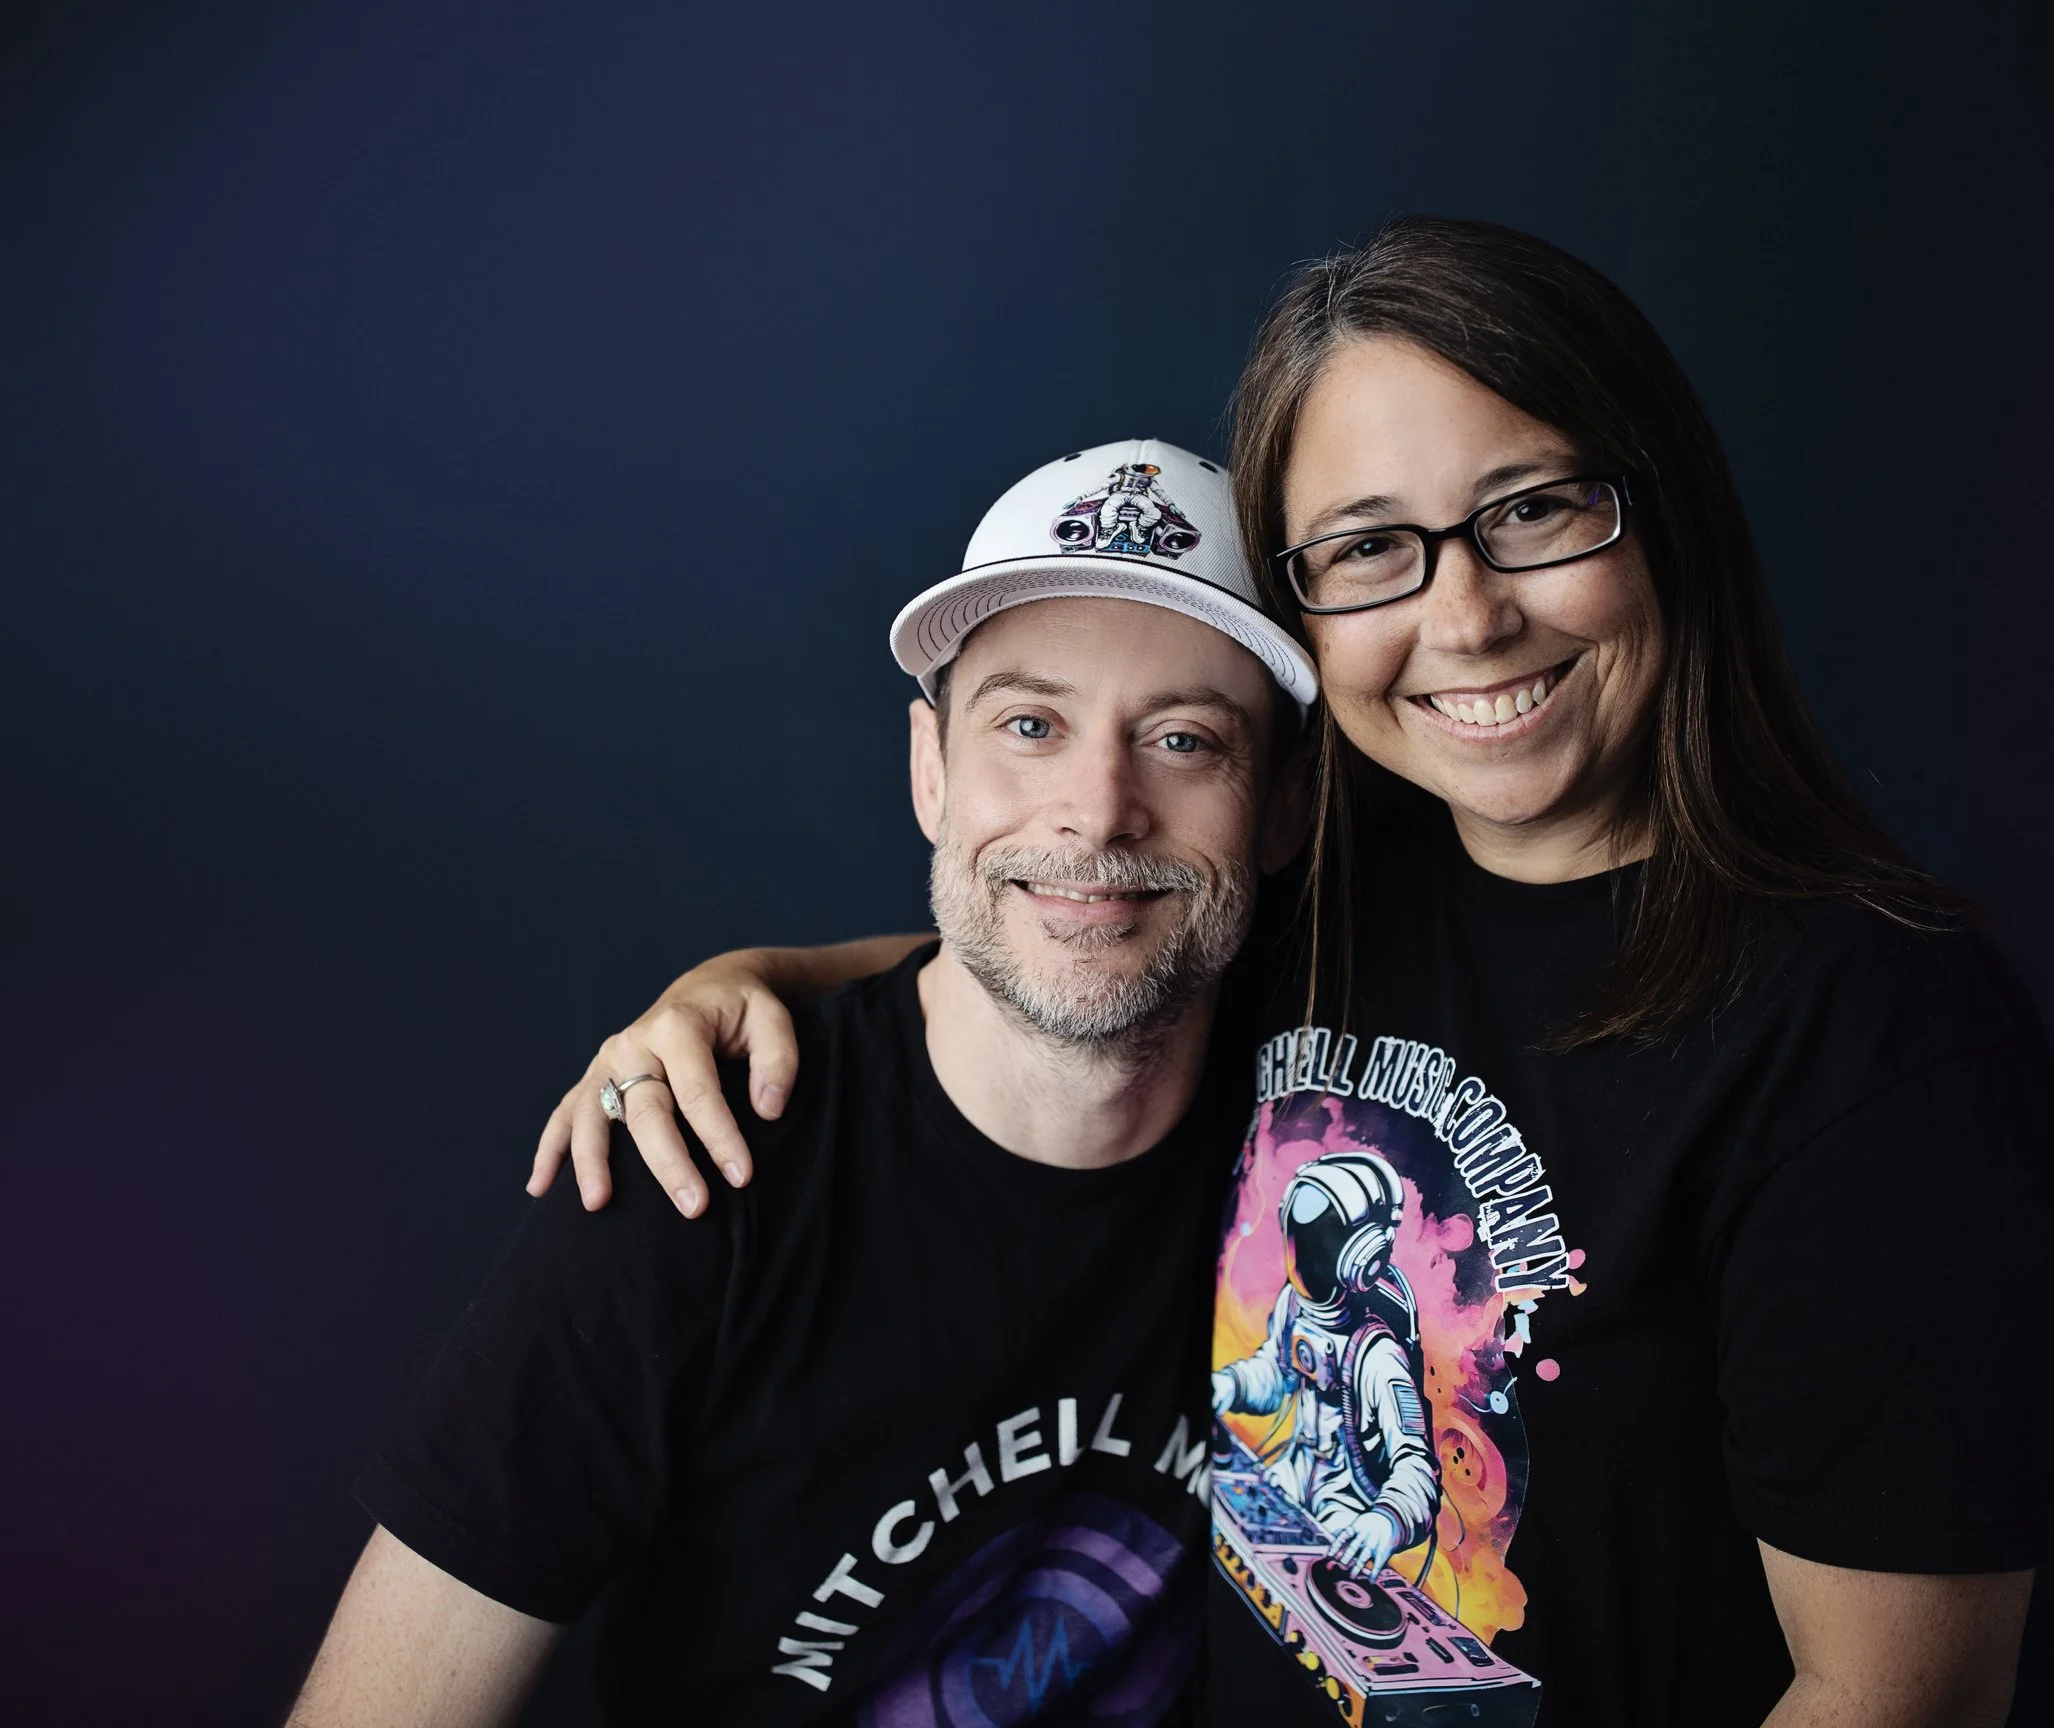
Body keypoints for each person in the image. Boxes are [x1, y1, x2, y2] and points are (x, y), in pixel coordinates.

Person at [539, 218, 2054, 1728]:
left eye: (1533, 510)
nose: (1465, 617)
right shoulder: (1330, 892)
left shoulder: (1869, 1031)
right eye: (1369, 551)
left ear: (1658, 508)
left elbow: (1899, 1695)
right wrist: (753, 984)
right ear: (1304, 609)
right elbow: (1067, 941)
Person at [290, 438, 1316, 1726]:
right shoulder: (694, 1164)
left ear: (1281, 807)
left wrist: (771, 966)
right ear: (930, 768)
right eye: (1030, 725)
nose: (1098, 809)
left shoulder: (1340, 1125)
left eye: (1182, 738)